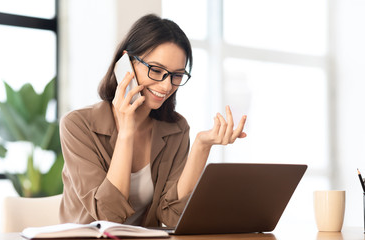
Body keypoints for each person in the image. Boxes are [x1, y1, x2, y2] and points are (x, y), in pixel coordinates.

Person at [59, 14, 247, 227]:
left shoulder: (176, 129)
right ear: (126, 64)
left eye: (177, 75)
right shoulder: (77, 125)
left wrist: (201, 147)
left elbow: (171, 217)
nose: (167, 86)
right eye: (156, 70)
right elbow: (108, 216)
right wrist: (126, 131)